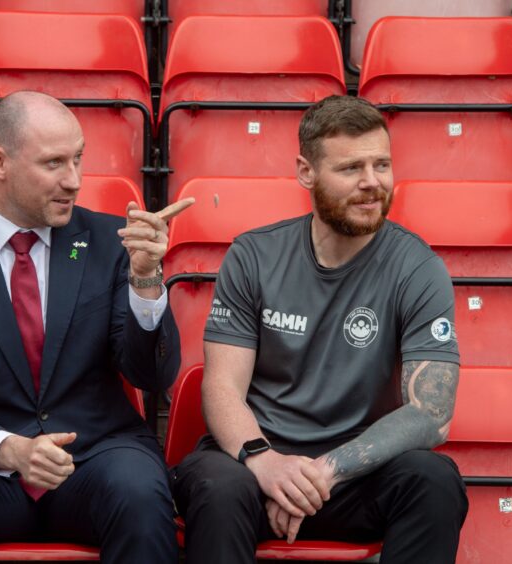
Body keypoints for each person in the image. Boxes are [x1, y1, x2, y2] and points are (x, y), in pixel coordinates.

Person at [0, 90, 192, 563]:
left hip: (95, 455)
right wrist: (11, 450)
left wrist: (147, 278)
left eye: (78, 159)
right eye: (53, 163)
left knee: (140, 488)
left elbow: (151, 376)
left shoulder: (111, 245)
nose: (73, 181)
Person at [172, 95, 468, 563]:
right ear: (306, 172)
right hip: (255, 460)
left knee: (434, 480)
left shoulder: (418, 268)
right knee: (217, 488)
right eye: (351, 168)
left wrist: (324, 473)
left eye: (382, 164)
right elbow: (222, 387)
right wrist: (266, 464)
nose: (372, 183)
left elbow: (431, 413)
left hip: (352, 473)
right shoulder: (254, 256)